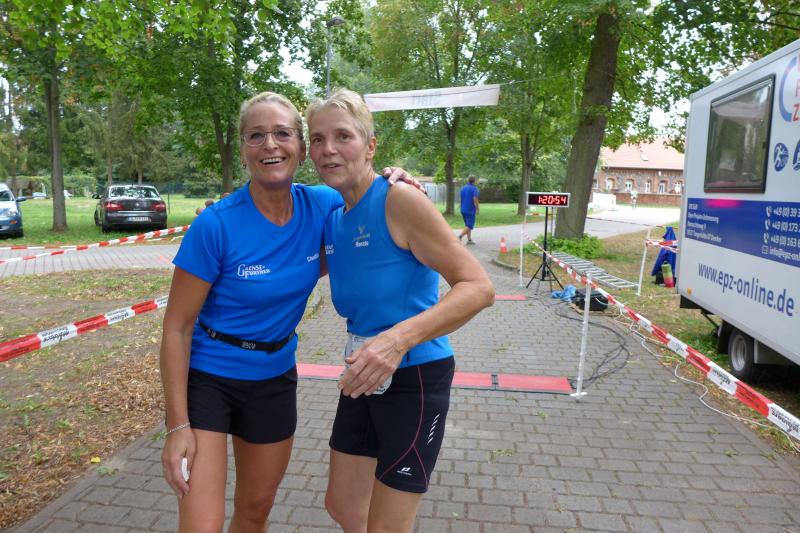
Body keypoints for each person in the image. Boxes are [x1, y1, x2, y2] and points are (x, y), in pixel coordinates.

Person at [160, 90, 413, 532]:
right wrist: (177, 425)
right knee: (202, 524)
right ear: (243, 148)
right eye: (256, 135)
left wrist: (397, 179)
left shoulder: (323, 205)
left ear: (300, 145)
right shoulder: (215, 224)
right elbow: (177, 328)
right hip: (210, 378)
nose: (270, 145)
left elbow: (368, 192)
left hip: (273, 379)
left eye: (282, 133)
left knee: (254, 511)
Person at [306, 89, 495, 533]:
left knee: (388, 524)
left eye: (343, 136)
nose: (329, 149)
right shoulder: (334, 214)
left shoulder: (399, 199)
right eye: (317, 139)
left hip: (415, 377)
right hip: (363, 371)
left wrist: (397, 340)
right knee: (343, 504)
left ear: (370, 145)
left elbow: (478, 288)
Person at [457, 175, 480, 245]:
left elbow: (461, 199)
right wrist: (477, 209)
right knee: (469, 226)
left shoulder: (463, 188)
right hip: (470, 210)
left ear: (468, 180)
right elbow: (475, 199)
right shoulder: (474, 189)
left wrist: (460, 206)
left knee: (467, 225)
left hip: (463, 209)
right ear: (475, 181)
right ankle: (459, 237)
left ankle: (469, 240)